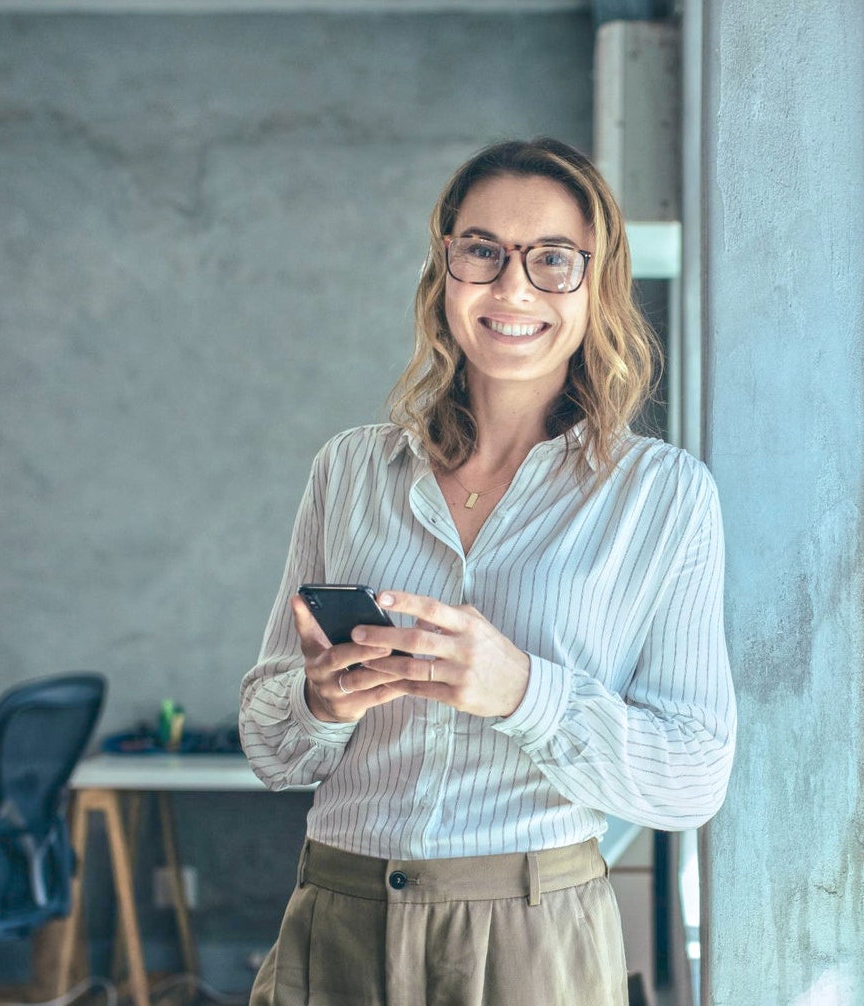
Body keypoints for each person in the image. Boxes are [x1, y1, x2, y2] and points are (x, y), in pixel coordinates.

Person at [239, 137, 736, 1006]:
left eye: (552, 260)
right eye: (483, 251)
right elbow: (269, 748)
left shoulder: (664, 496)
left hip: (533, 937)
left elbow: (693, 778)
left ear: (596, 285)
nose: (512, 288)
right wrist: (321, 701)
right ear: (445, 272)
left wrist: (520, 691)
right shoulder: (349, 471)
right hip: (339, 914)